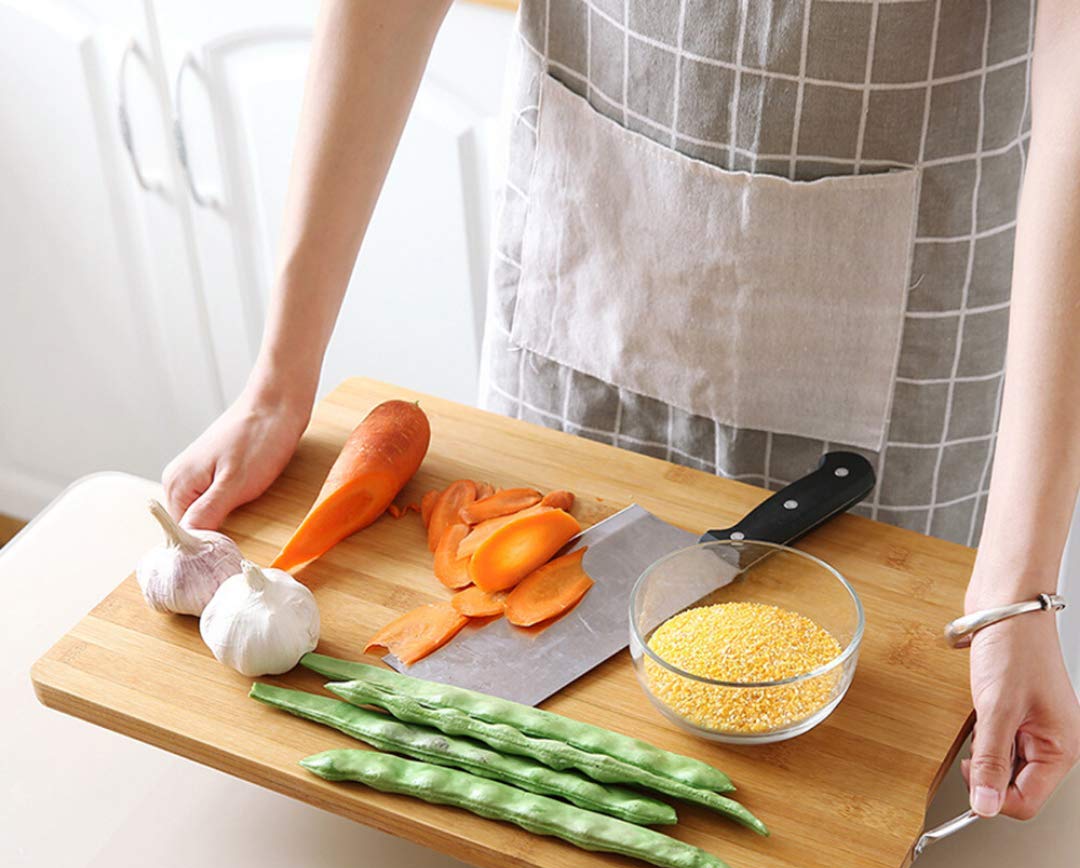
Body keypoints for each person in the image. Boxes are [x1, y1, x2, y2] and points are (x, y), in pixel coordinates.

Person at [163, 1, 1080, 821]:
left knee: (844, 797)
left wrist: (1016, 594)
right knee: (507, 775)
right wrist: (281, 376)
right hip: (595, 250)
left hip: (900, 332)